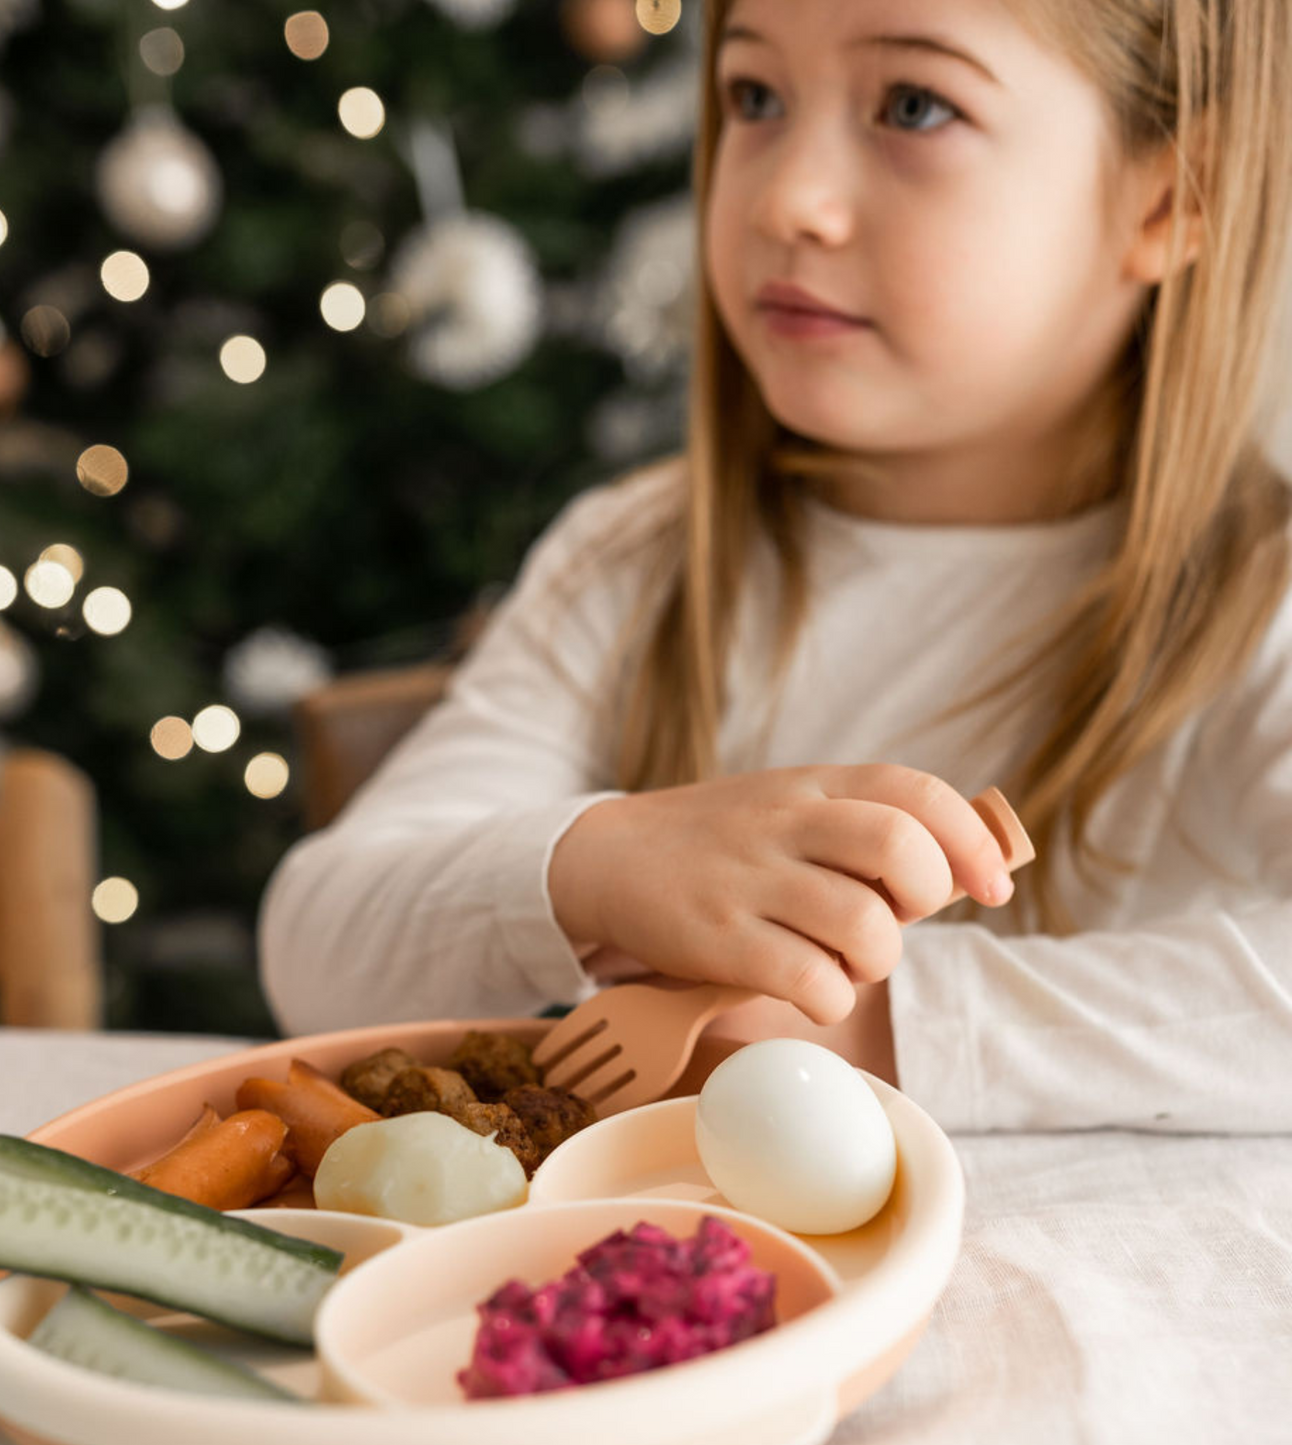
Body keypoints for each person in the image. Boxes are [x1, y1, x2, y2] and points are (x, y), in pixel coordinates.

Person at [261, 0, 1292, 1133]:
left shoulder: (1264, 595)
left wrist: (877, 1024)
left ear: (1168, 198)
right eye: (753, 97)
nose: (782, 199)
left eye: (913, 106)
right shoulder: (632, 558)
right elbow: (314, 942)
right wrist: (594, 863)